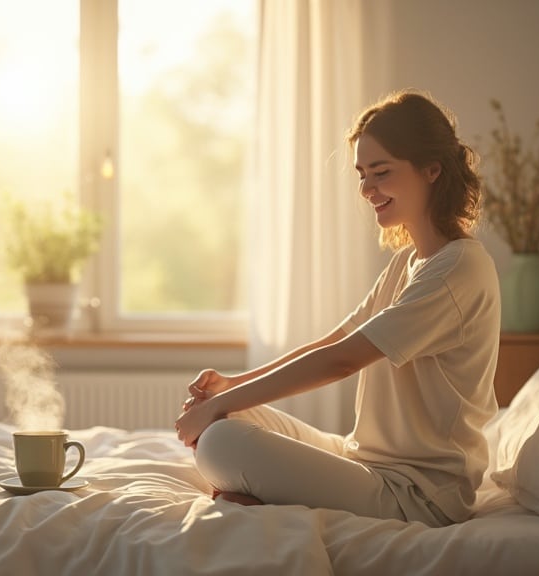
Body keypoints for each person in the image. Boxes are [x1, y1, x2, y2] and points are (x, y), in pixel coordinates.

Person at [174, 90, 500, 527]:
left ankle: (262, 494)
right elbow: (336, 341)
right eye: (362, 174)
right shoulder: (408, 261)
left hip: (417, 494)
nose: (367, 190)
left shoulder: (457, 270)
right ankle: (264, 492)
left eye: (381, 173)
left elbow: (343, 361)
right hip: (364, 459)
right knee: (229, 415)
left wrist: (218, 407)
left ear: (432, 170)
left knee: (220, 442)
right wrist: (231, 388)